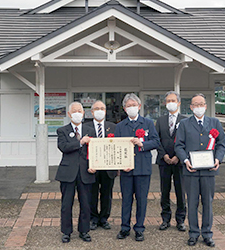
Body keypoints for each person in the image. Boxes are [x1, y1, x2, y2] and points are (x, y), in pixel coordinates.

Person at [174, 93, 225, 247]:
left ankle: (207, 234)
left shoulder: (214, 123)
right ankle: (194, 233)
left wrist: (218, 159)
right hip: (191, 171)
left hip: (209, 171)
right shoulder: (184, 124)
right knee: (192, 203)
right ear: (190, 107)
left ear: (206, 105)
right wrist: (185, 160)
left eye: (201, 104)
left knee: (208, 203)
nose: (198, 107)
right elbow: (179, 145)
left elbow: (222, 144)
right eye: (195, 104)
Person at [115, 93, 160, 242]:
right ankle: (124, 227)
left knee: (142, 200)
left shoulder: (148, 123)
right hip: (126, 169)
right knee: (126, 200)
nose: (132, 108)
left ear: (139, 107)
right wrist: (121, 166)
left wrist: (143, 144)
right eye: (129, 106)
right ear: (124, 108)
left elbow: (156, 142)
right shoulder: (120, 126)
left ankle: (139, 228)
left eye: (134, 105)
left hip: (143, 168)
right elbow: (116, 148)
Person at [55, 102, 96, 243]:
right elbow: (63, 147)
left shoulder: (90, 130)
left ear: (84, 113)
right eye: (74, 111)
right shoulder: (62, 130)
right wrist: (80, 143)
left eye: (80, 110)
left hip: (86, 172)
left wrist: (94, 165)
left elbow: (95, 151)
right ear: (69, 114)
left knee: (85, 203)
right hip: (68, 172)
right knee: (67, 204)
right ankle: (66, 232)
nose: (77, 113)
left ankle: (84, 231)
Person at [155, 91, 186, 232]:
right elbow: (157, 140)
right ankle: (165, 219)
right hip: (164, 161)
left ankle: (180, 220)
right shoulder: (160, 120)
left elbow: (187, 141)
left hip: (179, 162)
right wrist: (164, 155)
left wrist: (178, 156)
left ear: (179, 103)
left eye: (173, 100)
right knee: (164, 190)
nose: (170, 103)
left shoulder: (185, 120)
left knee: (180, 191)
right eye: (168, 101)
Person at [84, 100, 117, 230]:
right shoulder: (85, 127)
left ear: (105, 111)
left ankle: (104, 218)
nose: (99, 111)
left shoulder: (113, 127)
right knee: (92, 194)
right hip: (92, 167)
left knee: (107, 194)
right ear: (92, 112)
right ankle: (93, 218)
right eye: (97, 108)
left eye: (102, 108)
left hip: (108, 167)